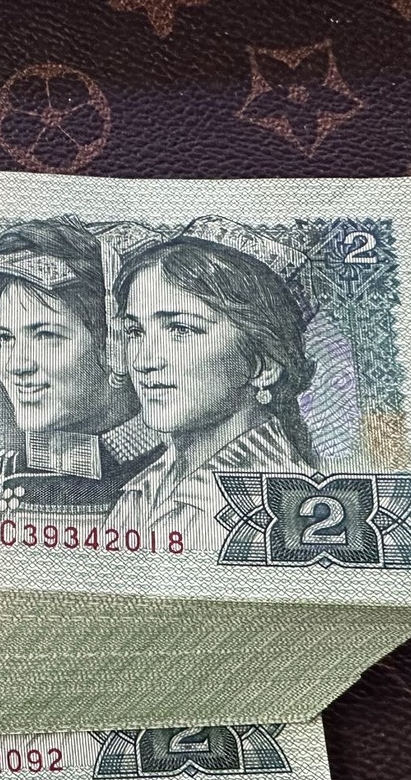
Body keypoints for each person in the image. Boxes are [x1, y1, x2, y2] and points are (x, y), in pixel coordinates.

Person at [0, 217, 162, 546]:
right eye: (6, 338)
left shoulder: (188, 483)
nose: (16, 365)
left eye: (46, 335)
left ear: (115, 345)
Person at [105, 234, 317, 550]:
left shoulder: (277, 507)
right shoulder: (144, 488)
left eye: (181, 329)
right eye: (135, 331)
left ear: (264, 365)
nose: (143, 361)